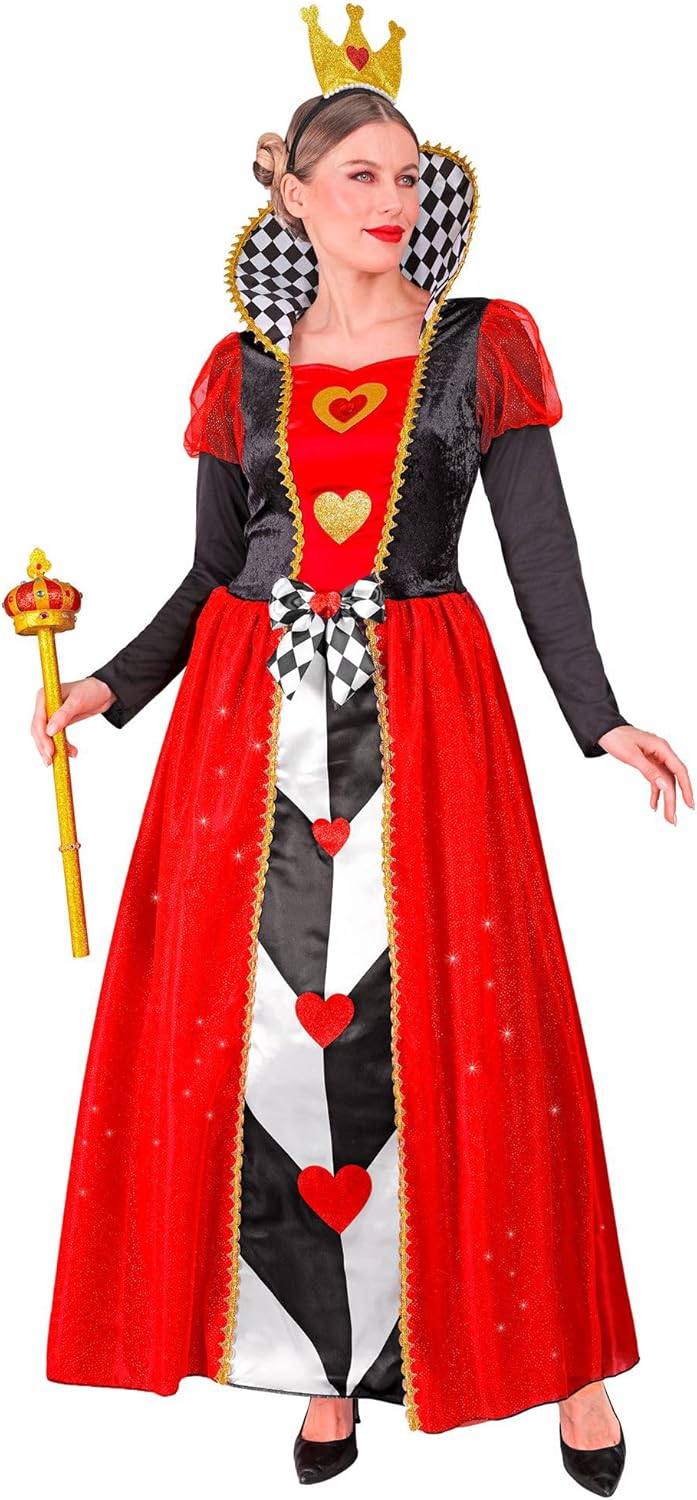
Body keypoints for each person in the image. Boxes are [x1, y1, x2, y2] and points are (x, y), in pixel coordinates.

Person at [38, 5, 692, 1493]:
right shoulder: (242, 373)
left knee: (475, 1033)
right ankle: (318, 1369)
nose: (392, 203)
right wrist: (113, 687)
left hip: (427, 718)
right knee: (268, 1037)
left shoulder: (480, 347)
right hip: (245, 726)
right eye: (360, 177)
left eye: (408, 177)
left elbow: (539, 552)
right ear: (295, 193)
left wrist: (598, 713)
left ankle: (566, 1367)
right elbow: (217, 570)